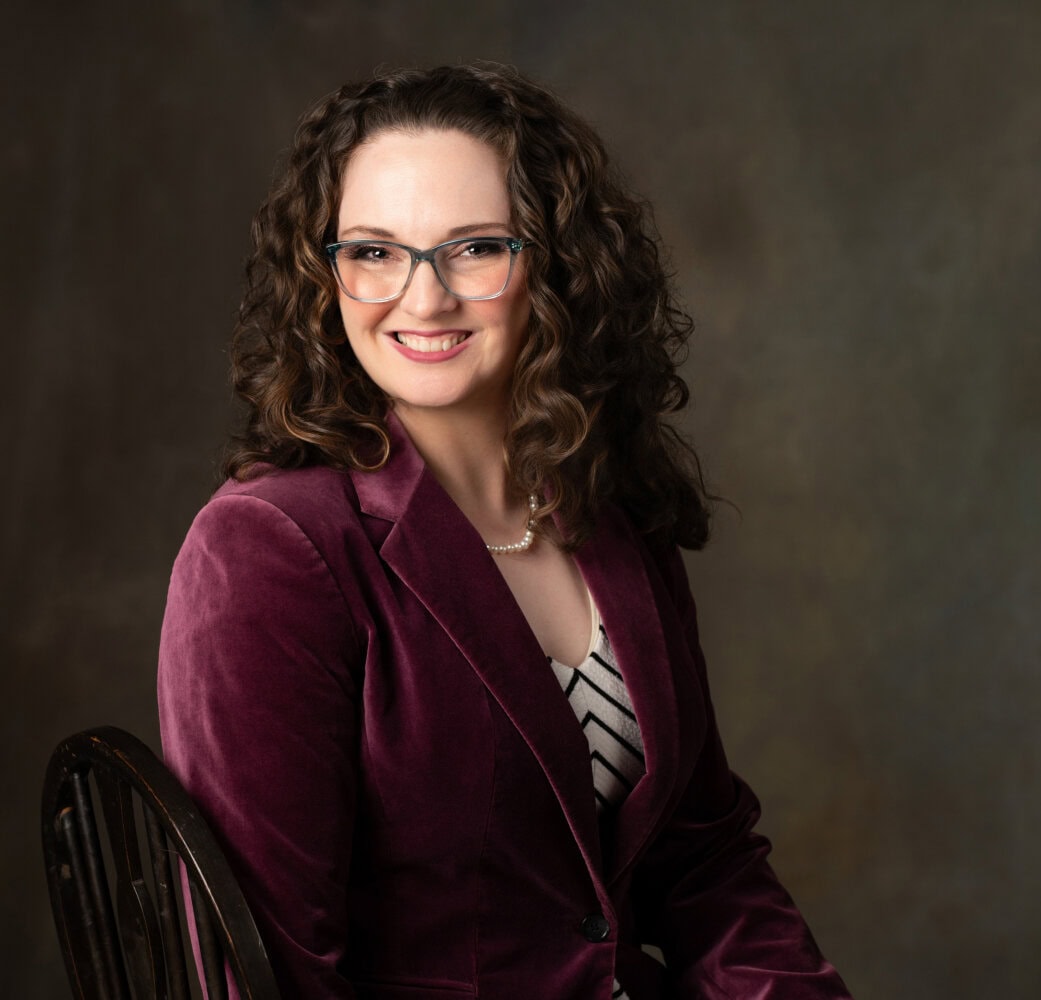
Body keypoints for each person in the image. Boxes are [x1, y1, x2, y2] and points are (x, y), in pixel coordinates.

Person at [158, 63, 851, 1000]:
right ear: (324, 277)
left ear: (557, 268)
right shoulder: (271, 548)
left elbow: (704, 864)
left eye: (476, 248)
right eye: (374, 252)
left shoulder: (608, 516)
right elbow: (261, 966)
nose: (423, 297)